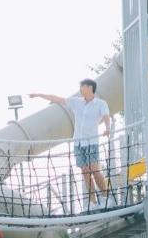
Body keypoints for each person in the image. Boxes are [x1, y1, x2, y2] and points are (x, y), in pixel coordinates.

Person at [30, 79, 112, 207]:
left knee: (94, 170)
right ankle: (93, 201)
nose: (80, 89)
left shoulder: (101, 104)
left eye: (82, 86)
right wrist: (39, 95)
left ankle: (105, 196)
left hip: (92, 142)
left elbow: (106, 116)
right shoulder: (76, 102)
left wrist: (107, 128)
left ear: (89, 87)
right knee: (85, 173)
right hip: (78, 143)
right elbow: (57, 98)